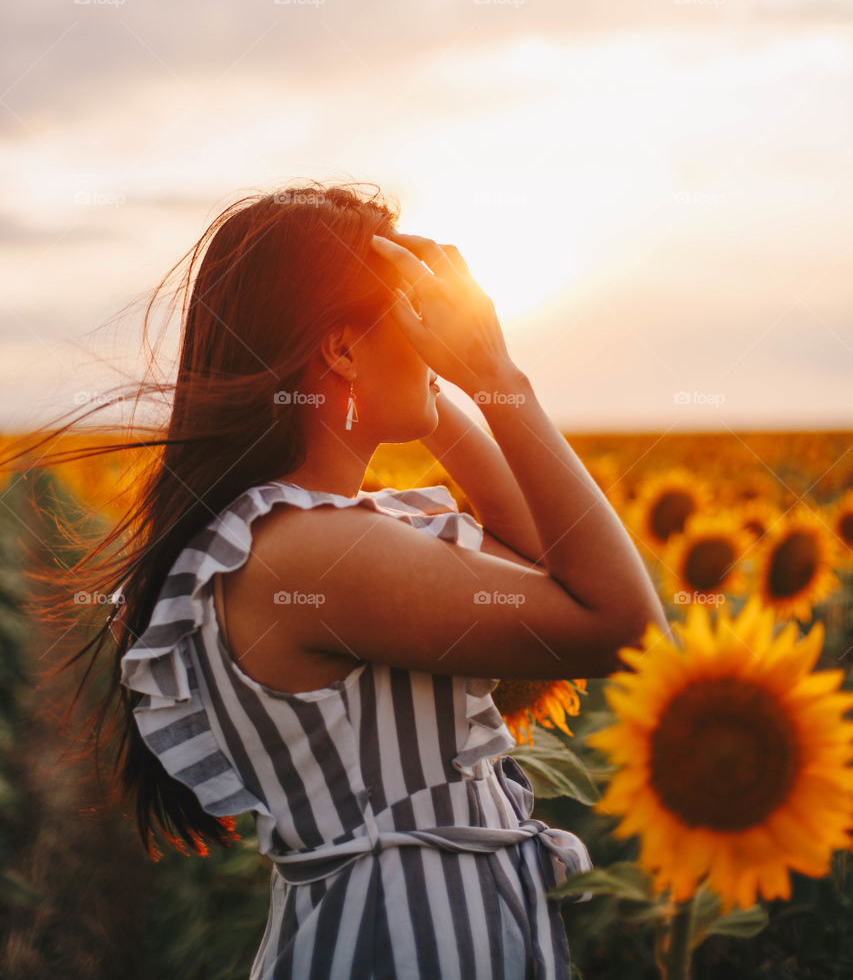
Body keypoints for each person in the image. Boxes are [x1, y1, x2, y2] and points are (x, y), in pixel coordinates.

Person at [19, 182, 669, 979]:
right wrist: (499, 378)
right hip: (405, 945)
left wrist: (446, 395)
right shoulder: (311, 555)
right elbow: (623, 626)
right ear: (340, 350)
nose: (435, 335)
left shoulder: (294, 535)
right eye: (414, 313)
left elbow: (536, 566)